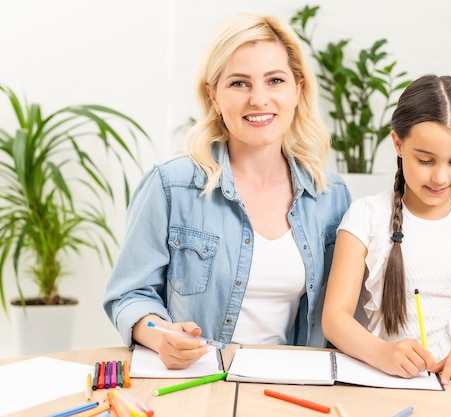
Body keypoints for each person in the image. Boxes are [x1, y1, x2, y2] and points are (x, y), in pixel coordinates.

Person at [103, 13, 351, 369]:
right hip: (199, 381)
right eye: (239, 84)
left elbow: (347, 310)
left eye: (275, 80)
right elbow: (129, 294)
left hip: (295, 383)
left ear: (298, 90)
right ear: (214, 96)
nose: (259, 99)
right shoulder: (170, 185)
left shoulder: (331, 195)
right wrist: (160, 334)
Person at [321, 74, 451, 385]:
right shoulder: (366, 216)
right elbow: (334, 318)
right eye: (425, 160)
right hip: (380, 385)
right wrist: (381, 353)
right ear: (398, 143)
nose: (439, 177)